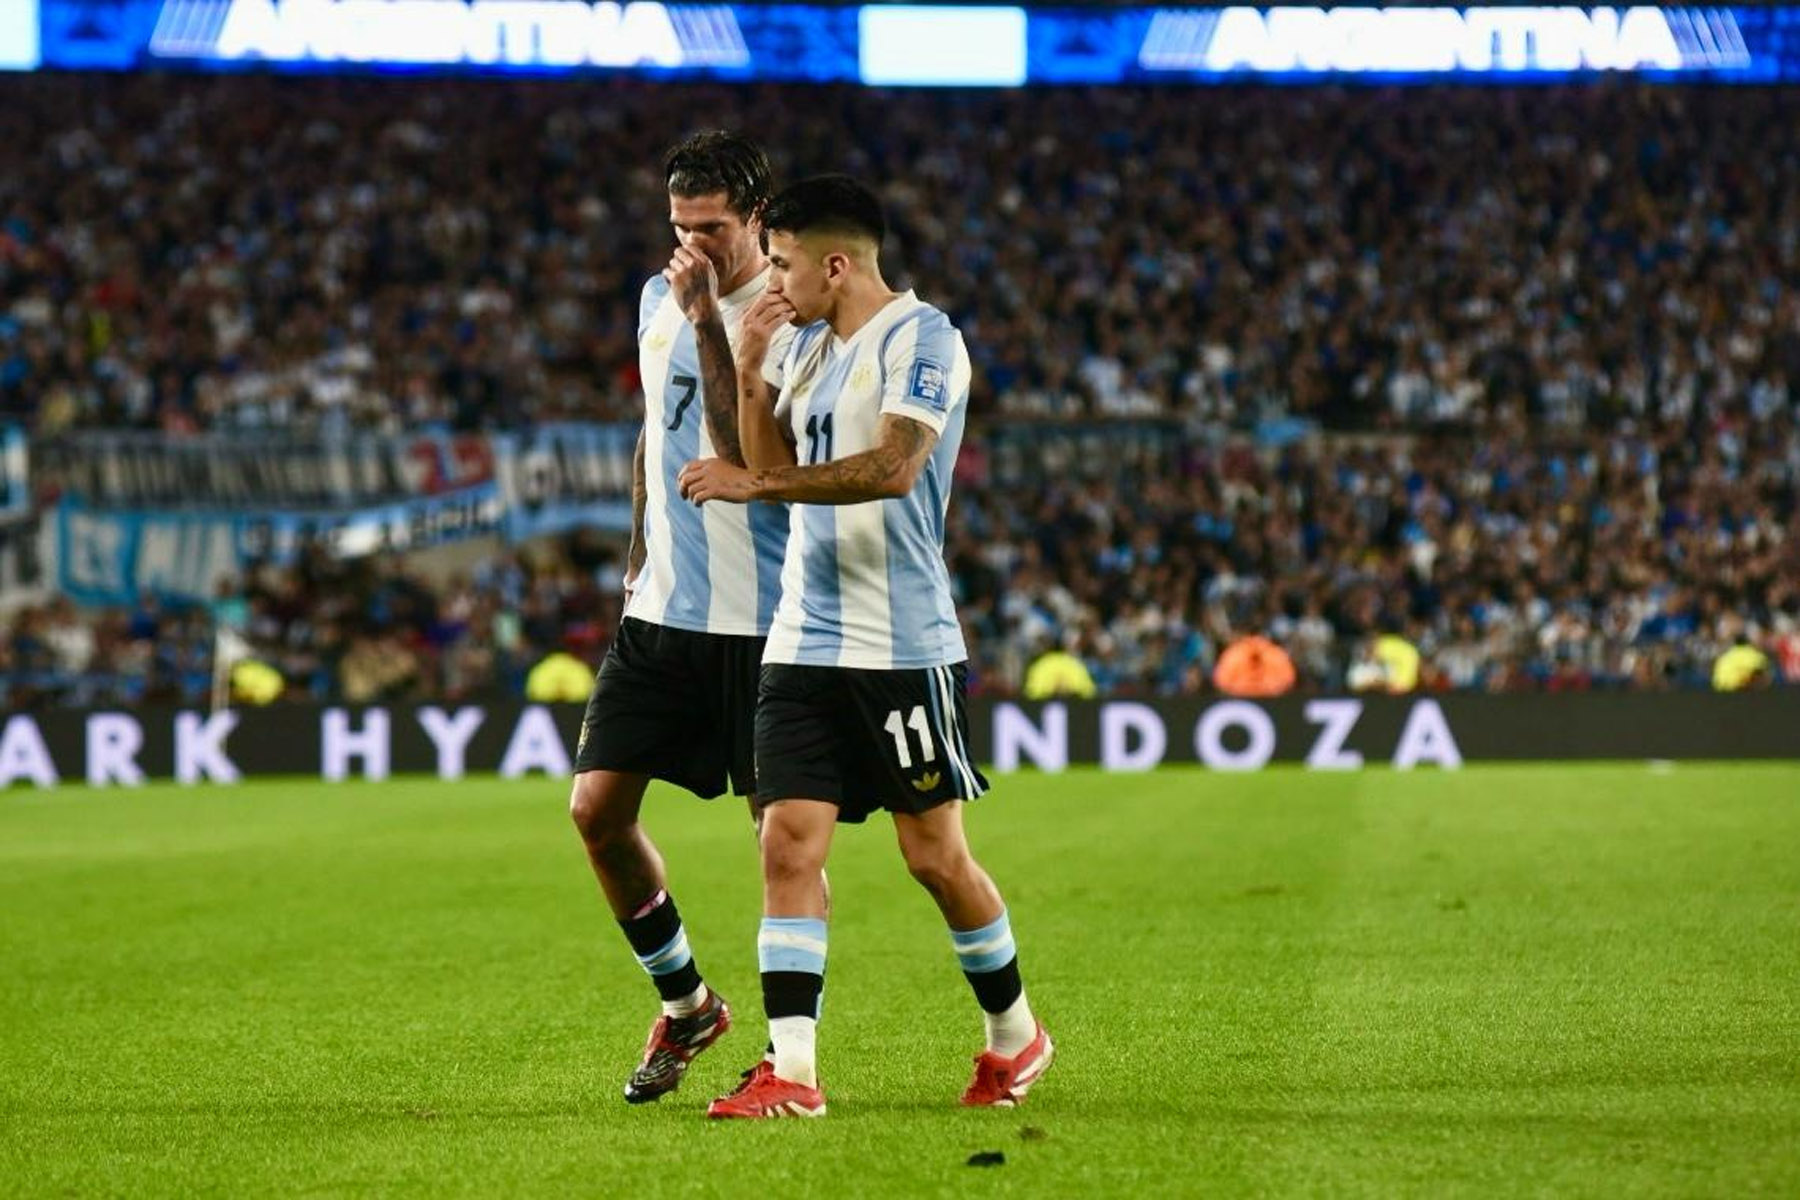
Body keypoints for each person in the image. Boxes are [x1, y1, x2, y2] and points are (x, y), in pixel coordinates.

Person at [679, 175, 1053, 1119]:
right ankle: (795, 1073)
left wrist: (754, 486)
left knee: (935, 858)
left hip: (900, 643)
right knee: (786, 843)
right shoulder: (802, 345)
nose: (771, 280)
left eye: (782, 263)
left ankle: (1016, 1034)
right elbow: (769, 469)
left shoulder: (924, 339)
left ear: (836, 264)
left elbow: (893, 467)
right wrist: (753, 370)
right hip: (801, 636)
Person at [566, 131, 801, 1105]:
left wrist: (709, 319)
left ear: (757, 218)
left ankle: (791, 1061)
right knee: (596, 812)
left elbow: (737, 452)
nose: (692, 245)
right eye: (679, 226)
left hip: (764, 624)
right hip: (662, 613)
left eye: (711, 227)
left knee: (780, 844)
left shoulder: (789, 315)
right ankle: (688, 1004)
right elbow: (654, 437)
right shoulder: (653, 298)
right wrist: (635, 558)